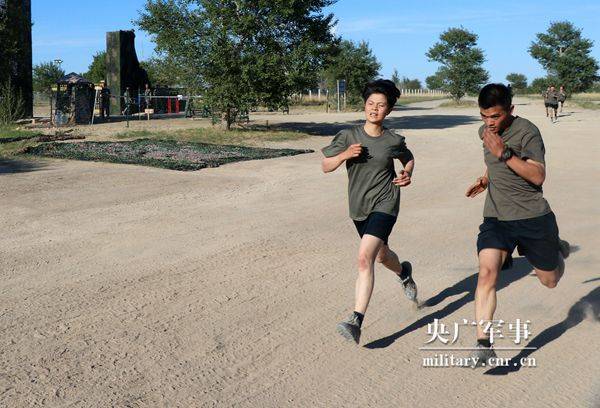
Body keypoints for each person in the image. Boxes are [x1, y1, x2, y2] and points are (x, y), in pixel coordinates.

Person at [465, 84, 570, 366]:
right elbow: (492, 160)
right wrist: (486, 179)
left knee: (550, 280)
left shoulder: (527, 132)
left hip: (532, 217)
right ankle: (483, 343)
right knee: (487, 273)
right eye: (484, 116)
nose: (489, 123)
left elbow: (538, 176)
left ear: (510, 110)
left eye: (496, 117)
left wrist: (505, 154)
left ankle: (557, 250)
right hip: (497, 217)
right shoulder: (484, 132)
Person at [321, 79, 417, 344]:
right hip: (358, 206)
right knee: (381, 256)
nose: (375, 109)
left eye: (381, 105)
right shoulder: (348, 137)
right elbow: (325, 166)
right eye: (371, 104)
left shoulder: (393, 140)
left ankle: (356, 321)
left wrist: (407, 173)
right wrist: (344, 156)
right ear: (364, 106)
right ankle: (404, 273)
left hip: (386, 203)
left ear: (389, 110)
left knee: (364, 258)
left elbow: (407, 157)